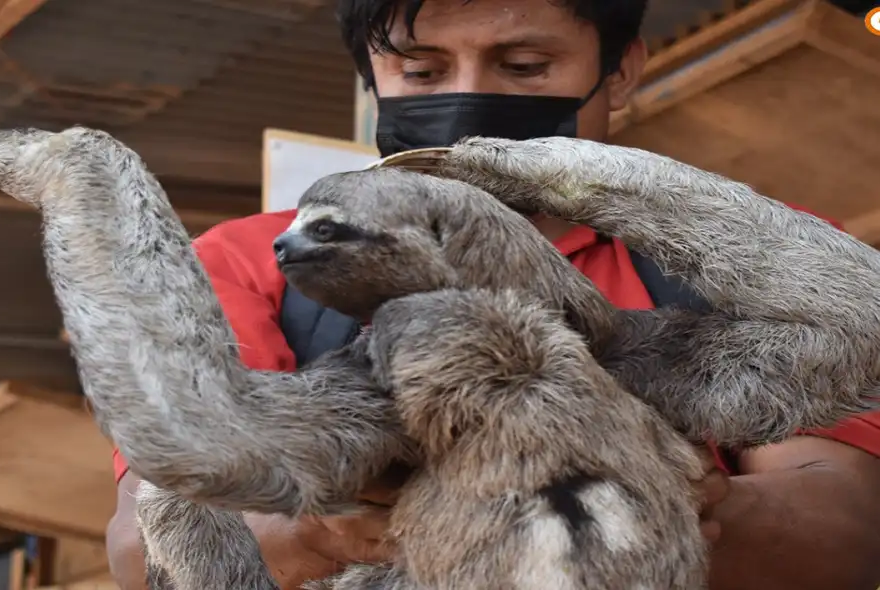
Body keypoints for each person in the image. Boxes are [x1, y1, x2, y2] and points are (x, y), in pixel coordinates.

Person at [105, 1, 880, 589]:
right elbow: (143, 547)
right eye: (421, 71)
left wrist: (662, 503)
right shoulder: (242, 261)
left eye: (525, 66)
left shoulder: (735, 260)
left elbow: (847, 526)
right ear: (371, 74)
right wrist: (323, 529)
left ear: (621, 70)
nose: (468, 97)